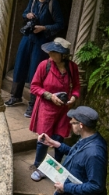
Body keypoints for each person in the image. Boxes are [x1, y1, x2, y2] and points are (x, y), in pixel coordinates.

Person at [38, 106, 108, 195]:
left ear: (81, 125)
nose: (70, 122)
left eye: (73, 121)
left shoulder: (95, 153)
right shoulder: (88, 139)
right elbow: (76, 154)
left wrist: (66, 187)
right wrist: (55, 144)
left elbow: (96, 186)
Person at [5, 0, 65, 117]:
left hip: (41, 41)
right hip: (28, 37)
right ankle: (15, 95)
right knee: (20, 65)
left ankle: (32, 104)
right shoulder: (33, 0)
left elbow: (60, 24)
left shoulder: (52, 4)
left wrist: (44, 27)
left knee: (35, 71)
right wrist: (28, 15)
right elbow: (24, 13)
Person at [28, 38, 80, 182]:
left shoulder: (72, 67)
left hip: (63, 110)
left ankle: (56, 168)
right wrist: (50, 96)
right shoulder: (44, 65)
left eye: (54, 51)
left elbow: (76, 86)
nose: (50, 53)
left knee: (58, 138)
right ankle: (39, 166)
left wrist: (74, 97)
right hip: (47, 108)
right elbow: (34, 86)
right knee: (44, 138)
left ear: (63, 55)